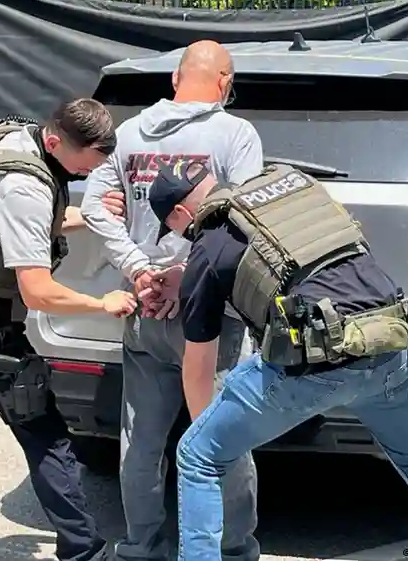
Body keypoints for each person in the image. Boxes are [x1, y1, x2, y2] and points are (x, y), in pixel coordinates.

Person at [144, 160, 408, 561]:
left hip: (313, 365)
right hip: (387, 342)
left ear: (180, 214)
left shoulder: (207, 247)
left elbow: (199, 368)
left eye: (173, 229)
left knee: (197, 456)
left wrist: (213, 435)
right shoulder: (293, 195)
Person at [80, 40, 263, 561]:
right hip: (213, 311)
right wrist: (185, 275)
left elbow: (93, 207)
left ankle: (141, 547)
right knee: (223, 436)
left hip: (145, 309)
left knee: (141, 442)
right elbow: (245, 219)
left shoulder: (130, 133)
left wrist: (138, 267)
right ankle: (233, 549)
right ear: (225, 82)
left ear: (175, 80)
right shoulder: (235, 134)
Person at [0, 100, 137, 561]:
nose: (90, 173)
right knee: (40, 426)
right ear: (54, 141)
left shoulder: (18, 140)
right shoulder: (24, 188)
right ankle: (83, 551)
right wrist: (101, 303)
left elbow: (22, 221)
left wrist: (92, 214)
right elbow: (39, 291)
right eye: (86, 165)